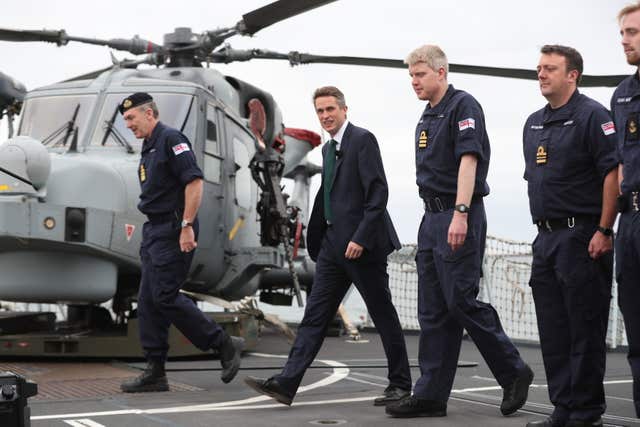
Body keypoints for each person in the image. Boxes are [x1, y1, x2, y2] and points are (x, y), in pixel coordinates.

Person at [386, 45, 533, 419]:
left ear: (441, 71)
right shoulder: (427, 116)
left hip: (456, 213)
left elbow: (469, 160)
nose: (414, 82)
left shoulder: (463, 106)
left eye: (420, 75)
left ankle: (514, 371)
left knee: (461, 301)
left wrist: (461, 213)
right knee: (432, 311)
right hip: (430, 217)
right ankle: (432, 394)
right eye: (411, 77)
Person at [245, 86, 412, 407]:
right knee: (315, 316)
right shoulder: (327, 150)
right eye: (320, 112)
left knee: (383, 314)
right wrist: (321, 241)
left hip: (363, 247)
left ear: (344, 110)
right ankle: (287, 383)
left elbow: (378, 194)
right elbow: (331, 196)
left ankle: (401, 384)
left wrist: (360, 238)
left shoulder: (363, 140)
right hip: (335, 248)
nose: (325, 116)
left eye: (330, 110)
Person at [118, 92, 244, 393]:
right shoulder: (149, 147)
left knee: (164, 295)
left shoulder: (172, 140)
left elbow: (194, 182)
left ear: (150, 114)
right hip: (155, 231)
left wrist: (186, 226)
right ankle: (156, 371)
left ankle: (223, 343)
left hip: (175, 228)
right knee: (148, 301)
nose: (129, 125)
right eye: (125, 121)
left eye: (131, 118)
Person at [523, 46, 618, 427]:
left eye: (550, 69)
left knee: (584, 327)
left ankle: (586, 411)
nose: (541, 74)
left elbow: (612, 173)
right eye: (539, 69)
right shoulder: (533, 122)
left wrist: (604, 229)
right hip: (545, 239)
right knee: (553, 329)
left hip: (582, 236)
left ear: (572, 75)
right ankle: (563, 408)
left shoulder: (593, 116)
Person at [612, 2, 640, 418]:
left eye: (632, 31)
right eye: (622, 33)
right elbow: (618, 164)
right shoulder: (623, 95)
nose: (624, 40)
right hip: (630, 220)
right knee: (635, 322)